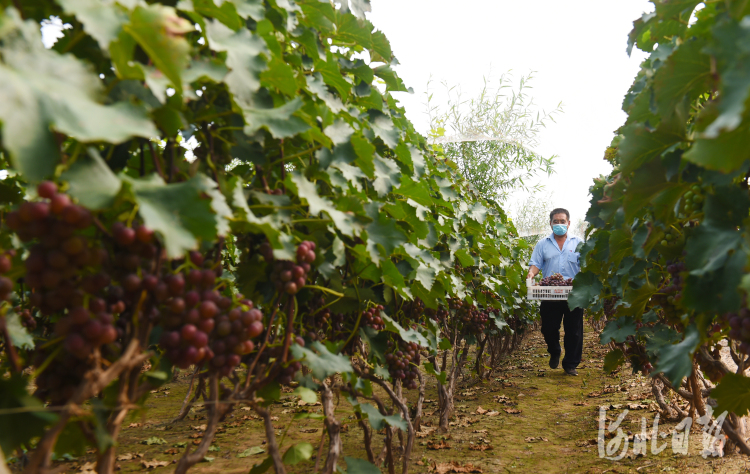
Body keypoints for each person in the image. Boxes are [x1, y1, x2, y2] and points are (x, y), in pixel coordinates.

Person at [526, 208, 583, 376]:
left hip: (574, 293)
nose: (559, 224)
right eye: (556, 222)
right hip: (550, 293)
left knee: (574, 330)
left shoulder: (579, 243)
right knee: (549, 328)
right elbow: (536, 264)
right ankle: (555, 350)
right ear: (550, 223)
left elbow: (586, 264)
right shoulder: (542, 244)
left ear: (569, 223)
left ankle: (570, 364)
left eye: (562, 221)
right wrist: (531, 273)